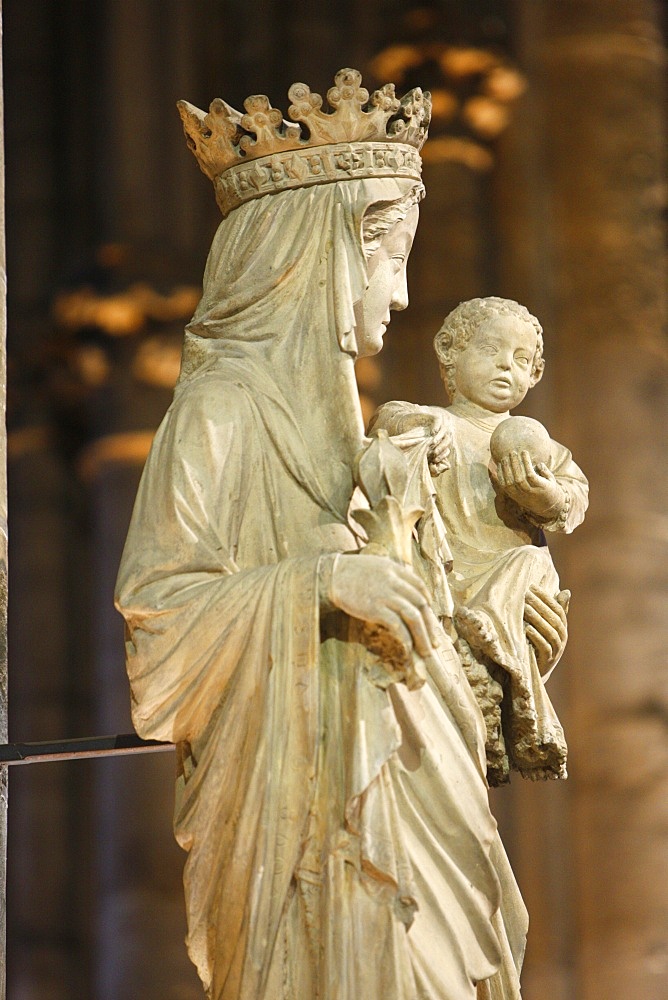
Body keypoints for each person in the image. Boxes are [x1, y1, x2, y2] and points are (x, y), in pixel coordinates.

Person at [115, 73, 564, 1000]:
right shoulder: (222, 409)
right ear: (310, 254)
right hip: (305, 824)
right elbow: (160, 618)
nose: (401, 294)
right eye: (389, 256)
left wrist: (500, 598)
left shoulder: (355, 433)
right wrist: (321, 584)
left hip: (411, 779)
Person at [369, 297, 588, 785]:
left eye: (523, 360)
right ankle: (491, 687)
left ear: (537, 374)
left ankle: (514, 697)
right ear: (448, 350)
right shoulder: (437, 423)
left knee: (527, 567)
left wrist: (543, 493)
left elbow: (574, 498)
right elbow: (387, 419)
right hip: (449, 586)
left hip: (514, 586)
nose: (507, 367)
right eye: (492, 350)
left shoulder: (539, 444)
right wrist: (421, 427)